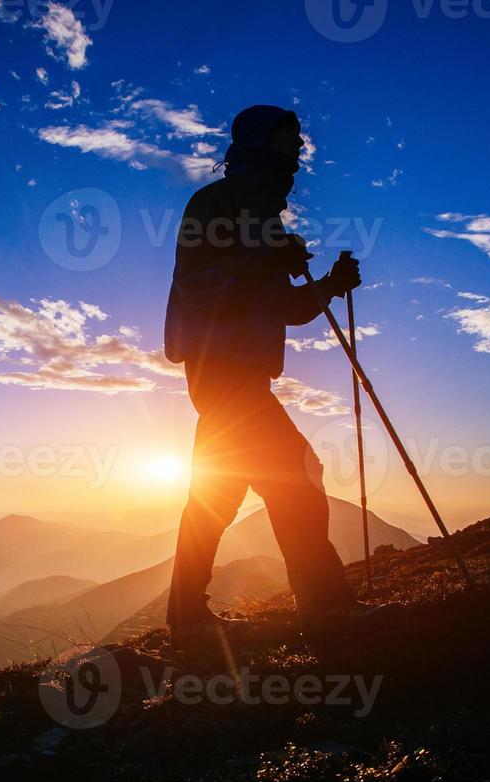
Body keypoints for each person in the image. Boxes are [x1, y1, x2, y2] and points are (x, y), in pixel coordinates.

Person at [164, 104, 376, 650]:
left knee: (213, 497)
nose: (296, 162)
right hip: (225, 377)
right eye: (286, 150)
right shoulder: (215, 205)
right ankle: (326, 612)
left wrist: (328, 283)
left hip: (233, 380)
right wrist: (265, 259)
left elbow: (282, 306)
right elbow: (205, 290)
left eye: (297, 150)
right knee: (298, 482)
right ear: (259, 149)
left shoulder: (259, 215)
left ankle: (187, 620)